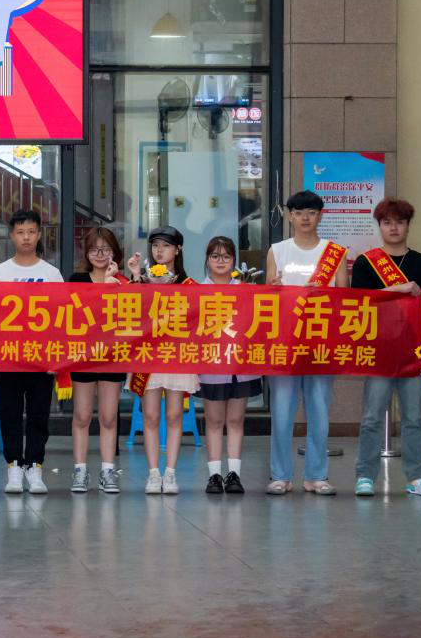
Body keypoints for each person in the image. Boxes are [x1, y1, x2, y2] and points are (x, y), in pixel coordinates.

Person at [352, 198, 421, 498]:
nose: (393, 228)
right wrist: (400, 288)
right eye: (387, 222)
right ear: (379, 226)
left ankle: (417, 477)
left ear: (408, 226)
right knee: (372, 417)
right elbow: (361, 302)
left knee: (413, 418)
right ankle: (365, 476)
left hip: (413, 352)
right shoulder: (367, 263)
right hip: (378, 352)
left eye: (399, 222)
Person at [265, 190, 348, 496]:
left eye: (311, 213)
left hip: (320, 343)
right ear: (290, 216)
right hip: (284, 342)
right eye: (299, 212)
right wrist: (273, 289)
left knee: (319, 412)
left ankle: (316, 475)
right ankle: (280, 475)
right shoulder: (277, 250)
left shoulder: (335, 253)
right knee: (282, 413)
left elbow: (345, 299)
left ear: (320, 216)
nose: (305, 218)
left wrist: (324, 294)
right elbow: (267, 297)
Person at [0, 209, 63, 495]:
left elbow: (62, 316)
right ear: (11, 236)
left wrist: (57, 355)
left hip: (41, 356)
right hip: (8, 354)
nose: (26, 237)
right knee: (9, 412)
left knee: (38, 413)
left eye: (31, 232)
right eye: (20, 232)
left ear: (39, 234)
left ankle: (35, 466)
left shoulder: (51, 273)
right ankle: (13, 467)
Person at [127, 226, 198, 495]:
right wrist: (136, 277)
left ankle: (170, 473)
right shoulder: (142, 280)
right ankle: (153, 473)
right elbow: (129, 312)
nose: (159, 250)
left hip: (177, 354)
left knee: (174, 414)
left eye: (166, 245)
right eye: (155, 245)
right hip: (148, 354)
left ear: (178, 250)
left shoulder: (189, 285)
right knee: (151, 415)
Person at [196, 236, 260, 495]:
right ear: (207, 260)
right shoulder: (197, 291)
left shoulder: (246, 289)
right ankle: (214, 475)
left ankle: (234, 474)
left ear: (234, 260)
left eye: (226, 256)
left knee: (235, 419)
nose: (220, 261)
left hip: (241, 364)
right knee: (213, 420)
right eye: (215, 256)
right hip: (212, 364)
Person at [67, 227, 127, 494]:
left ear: (114, 252)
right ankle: (80, 471)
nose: (100, 254)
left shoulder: (123, 283)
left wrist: (115, 283)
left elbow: (133, 318)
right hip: (83, 354)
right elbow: (69, 316)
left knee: (109, 416)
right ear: (86, 253)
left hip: (113, 356)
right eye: (94, 249)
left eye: (105, 249)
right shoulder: (77, 279)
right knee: (81, 415)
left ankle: (107, 471)